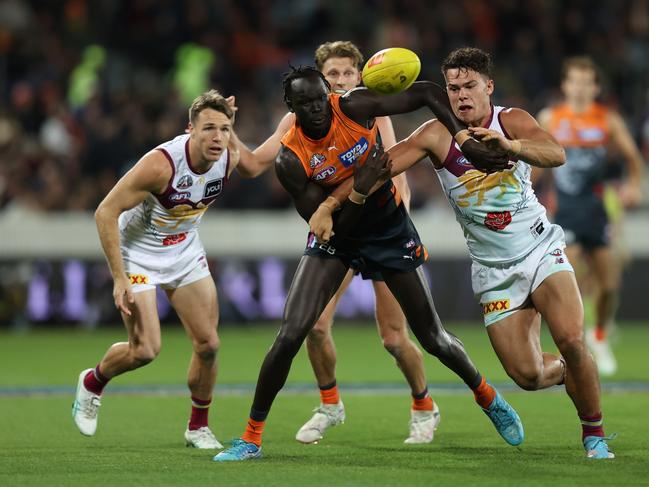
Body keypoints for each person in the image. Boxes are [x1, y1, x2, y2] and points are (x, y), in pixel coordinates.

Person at [311, 47, 615, 459]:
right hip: (494, 270)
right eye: (452, 88)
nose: (461, 95)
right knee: (527, 375)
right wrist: (330, 205)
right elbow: (379, 167)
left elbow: (555, 154)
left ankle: (593, 435)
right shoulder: (436, 135)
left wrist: (511, 145)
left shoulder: (512, 120)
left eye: (469, 85)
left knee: (570, 338)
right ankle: (570, 371)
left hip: (541, 248)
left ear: (488, 86)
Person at [213, 65, 521, 462]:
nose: (317, 108)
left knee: (432, 338)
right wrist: (358, 190)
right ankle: (251, 438)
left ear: (330, 94)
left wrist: (461, 137)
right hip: (337, 239)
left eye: (321, 98)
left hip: (390, 232)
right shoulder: (290, 159)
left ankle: (489, 398)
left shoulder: (353, 106)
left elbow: (427, 91)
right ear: (290, 106)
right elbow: (332, 230)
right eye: (305, 103)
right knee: (290, 334)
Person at [235, 41, 439, 445]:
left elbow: (395, 175)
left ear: (360, 77)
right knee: (313, 326)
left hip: (382, 230)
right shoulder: (298, 122)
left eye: (349, 73)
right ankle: (330, 404)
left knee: (395, 338)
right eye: (334, 74)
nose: (342, 80)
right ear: (321, 81)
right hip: (342, 234)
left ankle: (423, 406)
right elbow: (256, 163)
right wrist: (224, 131)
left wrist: (396, 226)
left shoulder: (370, 108)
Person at [72, 90, 268, 449]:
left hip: (184, 251)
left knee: (209, 344)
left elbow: (255, 167)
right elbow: (105, 211)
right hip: (139, 257)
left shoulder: (229, 154)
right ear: (189, 129)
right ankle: (93, 382)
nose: (217, 138)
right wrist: (119, 277)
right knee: (145, 349)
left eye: (224, 129)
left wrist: (240, 127)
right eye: (208, 128)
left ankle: (197, 426)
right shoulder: (161, 164)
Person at [537, 56, 644, 376]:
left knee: (609, 284)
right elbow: (535, 159)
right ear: (565, 85)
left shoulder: (607, 120)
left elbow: (632, 157)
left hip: (597, 211)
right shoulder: (550, 117)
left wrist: (633, 186)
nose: (581, 88)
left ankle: (599, 336)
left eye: (587, 82)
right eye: (575, 81)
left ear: (595, 87)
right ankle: (570, 345)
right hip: (565, 211)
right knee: (565, 278)